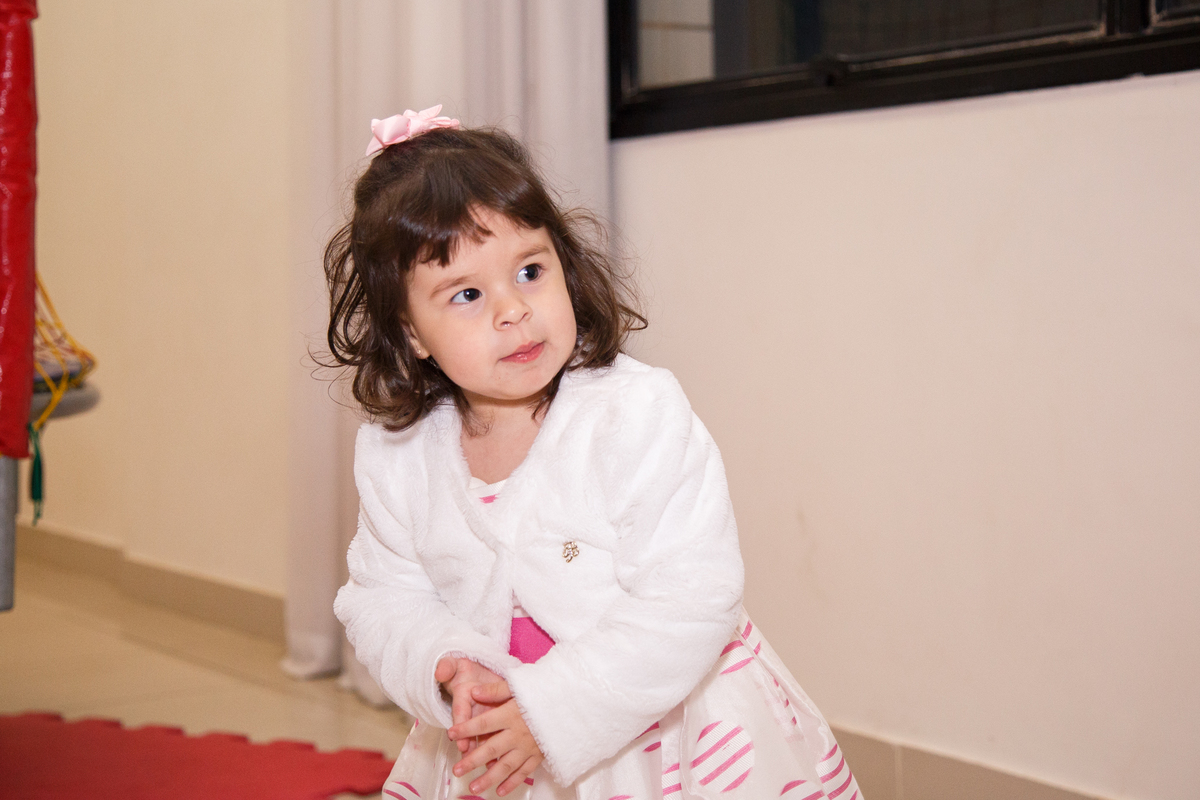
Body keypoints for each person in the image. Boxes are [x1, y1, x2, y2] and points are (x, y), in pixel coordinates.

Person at [327, 106, 863, 800]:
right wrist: (446, 663)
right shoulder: (399, 455)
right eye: (466, 294)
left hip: (668, 733)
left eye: (529, 271)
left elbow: (693, 597)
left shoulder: (633, 416)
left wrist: (550, 713)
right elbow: (382, 599)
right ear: (412, 333)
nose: (512, 311)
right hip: (496, 745)